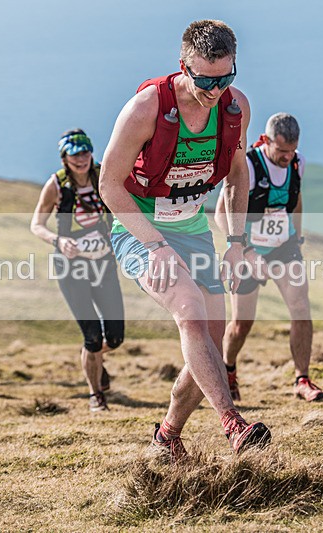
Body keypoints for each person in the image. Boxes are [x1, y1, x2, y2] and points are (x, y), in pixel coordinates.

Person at [99, 19, 270, 461]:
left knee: (208, 346)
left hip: (193, 228)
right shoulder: (145, 108)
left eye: (227, 77)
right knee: (190, 314)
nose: (216, 89)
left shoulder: (236, 107)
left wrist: (236, 241)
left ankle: (168, 435)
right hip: (141, 228)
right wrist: (155, 246)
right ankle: (233, 424)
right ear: (184, 65)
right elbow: (109, 185)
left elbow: (236, 175)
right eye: (206, 80)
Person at [214, 113, 323, 403]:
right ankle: (228, 369)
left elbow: (296, 199)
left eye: (292, 151)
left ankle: (302, 379)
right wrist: (245, 251)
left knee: (301, 308)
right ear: (266, 141)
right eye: (281, 152)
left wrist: (298, 238)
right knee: (242, 324)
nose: (288, 157)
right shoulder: (248, 166)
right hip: (247, 249)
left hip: (284, 247)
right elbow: (220, 214)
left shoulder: (298, 163)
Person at [30, 129, 125, 412]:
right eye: (74, 154)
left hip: (104, 264)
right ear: (64, 157)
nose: (81, 159)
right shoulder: (56, 185)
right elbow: (36, 224)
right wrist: (58, 240)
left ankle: (91, 356)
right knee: (93, 336)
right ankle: (96, 395)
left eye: (85, 152)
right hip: (71, 268)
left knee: (115, 338)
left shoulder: (103, 175)